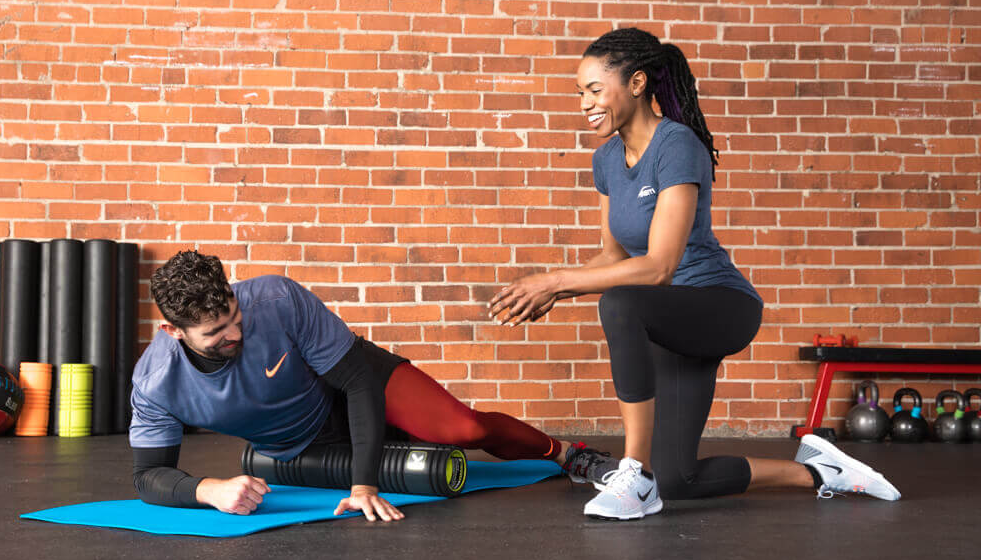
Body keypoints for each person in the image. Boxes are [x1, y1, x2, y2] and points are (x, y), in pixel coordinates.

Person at [487, 27, 900, 521]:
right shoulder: (606, 161)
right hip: (665, 315)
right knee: (679, 479)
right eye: (580, 93)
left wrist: (556, 281)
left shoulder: (677, 145)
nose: (585, 103)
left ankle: (634, 473)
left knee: (618, 303)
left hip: (718, 305)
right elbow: (615, 258)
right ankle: (821, 472)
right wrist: (550, 288)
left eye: (595, 90)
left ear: (637, 83)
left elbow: (659, 267)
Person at [130, 250, 609, 522]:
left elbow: (357, 381)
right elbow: (148, 475)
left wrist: (364, 485)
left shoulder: (277, 298)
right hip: (303, 442)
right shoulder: (156, 382)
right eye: (215, 333)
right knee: (428, 458)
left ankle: (567, 454)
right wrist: (208, 489)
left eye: (234, 316)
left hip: (356, 382)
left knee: (463, 430)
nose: (234, 334)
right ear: (175, 332)